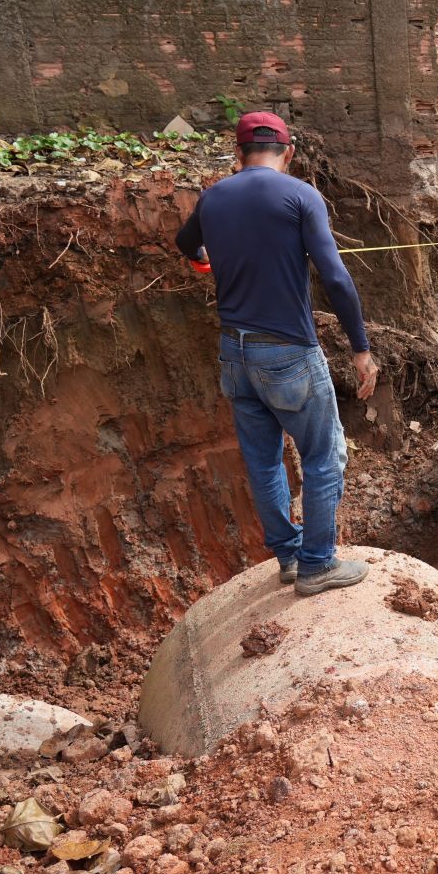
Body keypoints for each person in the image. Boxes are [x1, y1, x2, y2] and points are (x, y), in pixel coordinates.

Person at [175, 112, 379, 596]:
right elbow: (334, 278)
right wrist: (360, 349)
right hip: (288, 354)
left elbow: (187, 244)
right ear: (287, 152)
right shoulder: (301, 196)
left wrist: (205, 256)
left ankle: (288, 558)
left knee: (265, 462)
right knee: (325, 458)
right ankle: (316, 565)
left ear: (237, 151)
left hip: (235, 354)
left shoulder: (213, 197)